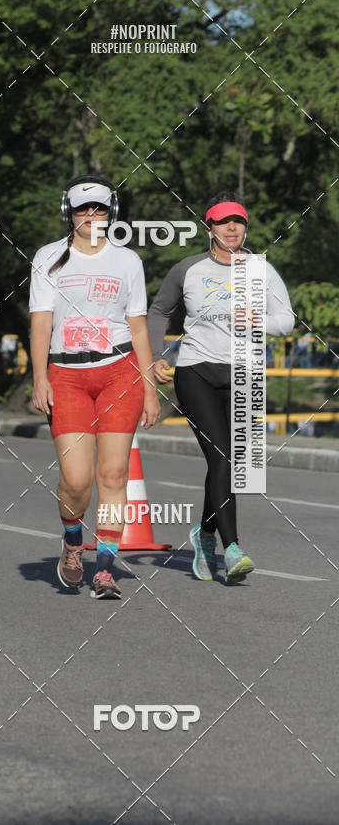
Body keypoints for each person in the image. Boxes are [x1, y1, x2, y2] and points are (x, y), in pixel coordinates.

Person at [147, 191, 294, 583]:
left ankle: (204, 534)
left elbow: (287, 321)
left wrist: (258, 317)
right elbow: (159, 309)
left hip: (244, 374)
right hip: (195, 370)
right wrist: (157, 355)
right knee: (223, 458)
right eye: (224, 221)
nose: (232, 227)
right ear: (209, 226)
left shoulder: (261, 270)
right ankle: (232, 548)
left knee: (233, 465)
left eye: (239, 221)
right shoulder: (188, 269)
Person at [29, 174, 160, 600]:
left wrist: (150, 387)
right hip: (66, 376)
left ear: (111, 212)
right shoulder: (49, 257)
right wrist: (39, 378)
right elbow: (41, 322)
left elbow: (138, 326)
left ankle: (104, 568)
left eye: (99, 208)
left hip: (119, 373)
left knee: (114, 473)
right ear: (69, 212)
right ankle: (71, 541)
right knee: (76, 479)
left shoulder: (128, 262)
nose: (91, 216)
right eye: (83, 208)